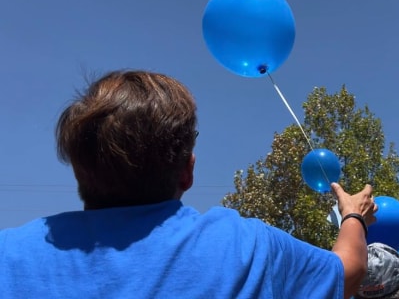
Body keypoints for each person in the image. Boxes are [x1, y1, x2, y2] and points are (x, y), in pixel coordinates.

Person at [0, 70, 377, 299]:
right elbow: (348, 269)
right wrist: (353, 215)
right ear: (187, 171)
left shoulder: (8, 255)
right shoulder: (245, 249)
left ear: (80, 170)